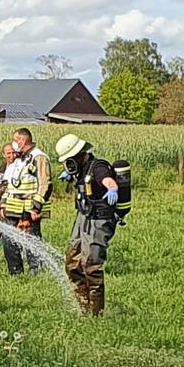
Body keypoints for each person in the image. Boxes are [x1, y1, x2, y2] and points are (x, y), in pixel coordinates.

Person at [55, 133, 122, 316]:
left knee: (90, 265)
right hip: (83, 217)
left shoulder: (98, 167)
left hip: (98, 220)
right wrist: (70, 175)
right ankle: (83, 307)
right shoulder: (82, 170)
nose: (68, 164)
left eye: (70, 160)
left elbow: (108, 181)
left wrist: (112, 188)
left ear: (80, 154)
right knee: (72, 263)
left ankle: (96, 313)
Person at [0, 128, 49, 274]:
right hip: (12, 208)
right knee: (9, 241)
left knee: (31, 241)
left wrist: (36, 207)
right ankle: (16, 273)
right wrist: (3, 204)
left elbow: (45, 184)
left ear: (22, 140)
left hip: (29, 210)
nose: (13, 143)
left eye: (15, 140)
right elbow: (9, 184)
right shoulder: (18, 159)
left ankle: (36, 272)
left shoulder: (38, 157)